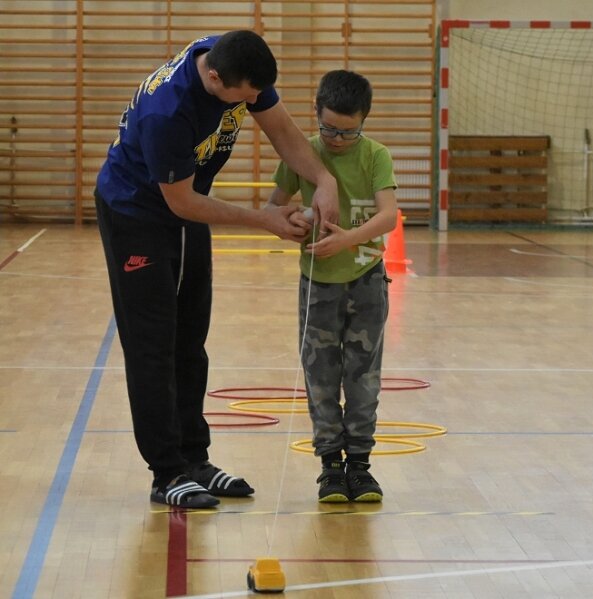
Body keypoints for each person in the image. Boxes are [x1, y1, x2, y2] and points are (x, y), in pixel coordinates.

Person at [94, 30, 338, 509]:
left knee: (190, 340)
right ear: (213, 77)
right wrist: (263, 219)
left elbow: (282, 130)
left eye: (255, 94)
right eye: (243, 95)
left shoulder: (234, 60)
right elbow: (181, 201)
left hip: (184, 212)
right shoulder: (169, 112)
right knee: (152, 347)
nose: (251, 102)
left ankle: (194, 458)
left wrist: (323, 178)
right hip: (137, 215)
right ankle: (166, 472)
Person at [266, 70, 398, 502]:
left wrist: (347, 239)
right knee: (320, 375)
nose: (337, 139)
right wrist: (295, 222)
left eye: (348, 131)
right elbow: (275, 209)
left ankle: (360, 465)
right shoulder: (301, 156)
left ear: (365, 121)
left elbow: (388, 216)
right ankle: (330, 467)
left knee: (363, 376)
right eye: (328, 128)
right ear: (315, 115)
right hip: (317, 285)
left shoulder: (376, 155)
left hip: (367, 283)